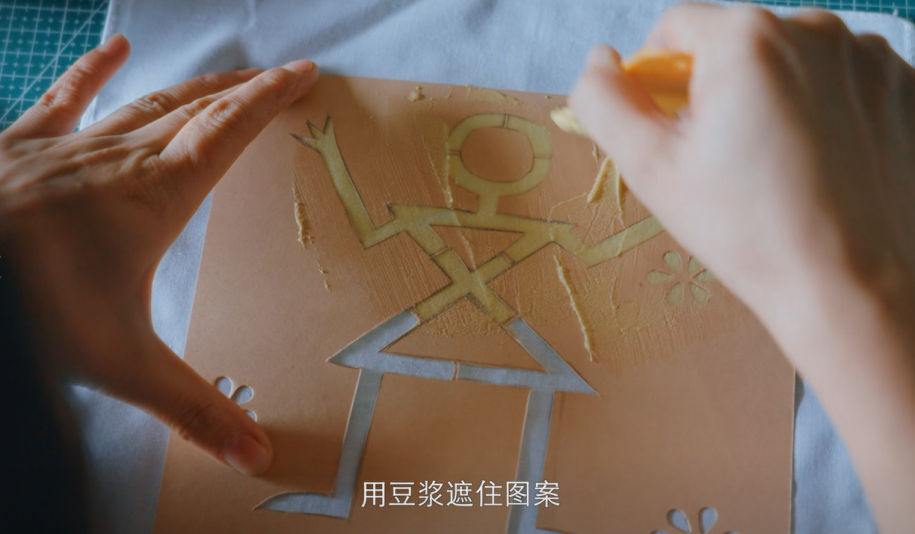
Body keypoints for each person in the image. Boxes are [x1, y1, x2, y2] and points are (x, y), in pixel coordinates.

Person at [0, 2, 912, 532]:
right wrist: (855, 293)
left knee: (523, 413)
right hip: (440, 316)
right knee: (390, 392)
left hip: (496, 325)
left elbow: (587, 246)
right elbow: (373, 224)